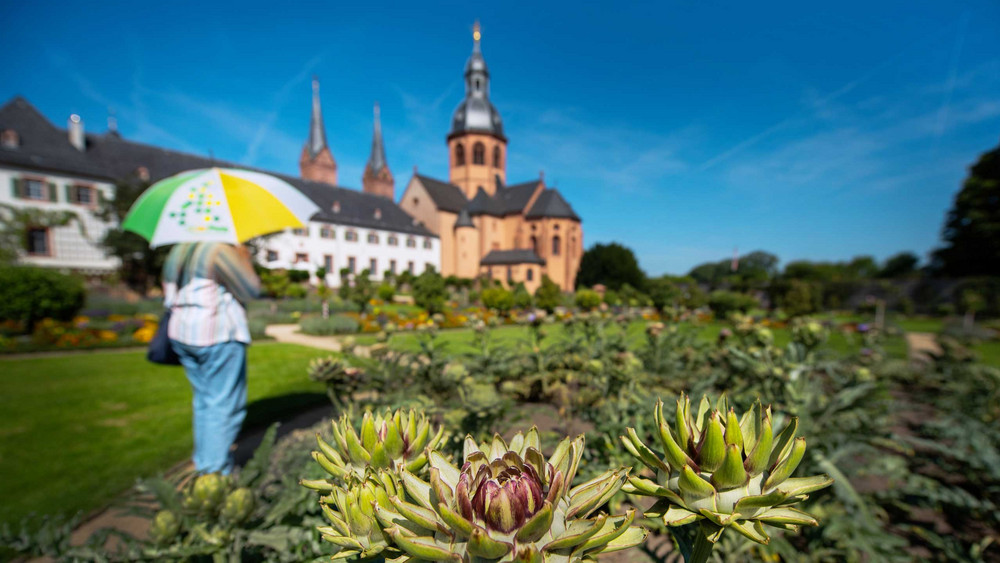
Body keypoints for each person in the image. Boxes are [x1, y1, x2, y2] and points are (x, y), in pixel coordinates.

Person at [162, 242, 261, 475]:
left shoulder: (179, 249)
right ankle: (215, 474)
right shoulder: (217, 249)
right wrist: (244, 257)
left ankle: (203, 461)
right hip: (216, 333)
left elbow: (168, 291)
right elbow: (251, 289)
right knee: (224, 405)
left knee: (204, 401)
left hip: (182, 333)